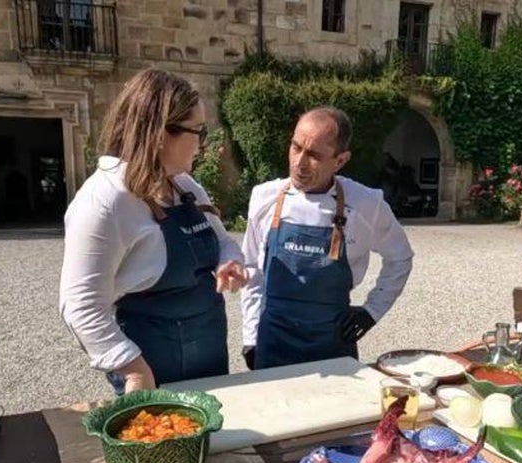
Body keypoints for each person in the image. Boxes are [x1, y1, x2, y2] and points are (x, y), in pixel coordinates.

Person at [59, 68, 247, 395]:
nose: (203, 145)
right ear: (161, 134)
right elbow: (80, 305)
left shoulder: (186, 186)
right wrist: (133, 369)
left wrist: (228, 262)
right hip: (152, 369)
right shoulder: (104, 200)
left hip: (210, 356)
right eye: (198, 132)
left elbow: (224, 242)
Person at [240, 106, 414, 369]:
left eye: (314, 155)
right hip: (273, 342)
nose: (299, 163)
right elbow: (251, 270)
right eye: (296, 147)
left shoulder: (366, 203)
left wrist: (371, 311)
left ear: (340, 160)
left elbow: (400, 257)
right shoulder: (264, 198)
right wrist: (251, 337)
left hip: (332, 345)